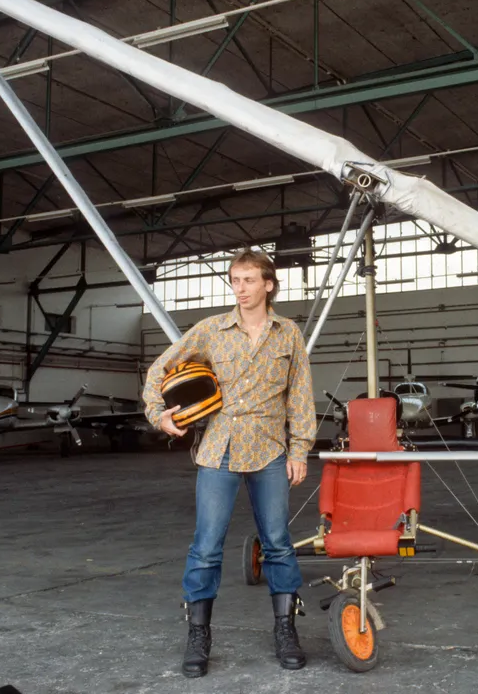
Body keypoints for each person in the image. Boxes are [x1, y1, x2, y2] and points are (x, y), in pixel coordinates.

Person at [142, 248, 315, 678]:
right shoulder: (210, 330)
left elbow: (300, 394)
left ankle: (286, 631)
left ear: (268, 285)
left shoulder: (288, 334)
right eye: (235, 280)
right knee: (205, 547)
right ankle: (198, 637)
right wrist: (158, 414)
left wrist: (299, 450)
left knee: (277, 541)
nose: (239, 289)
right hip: (218, 450)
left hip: (271, 450)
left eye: (249, 280)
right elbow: (158, 370)